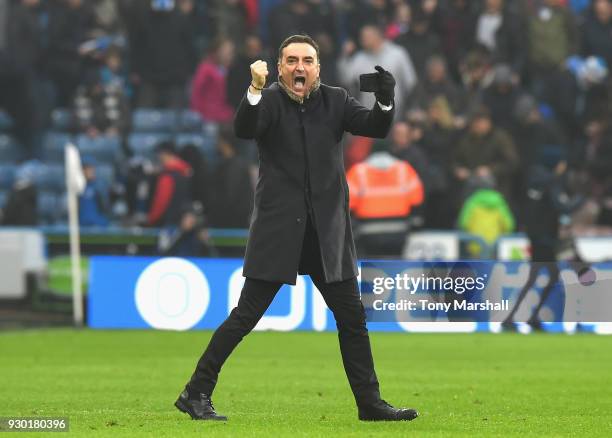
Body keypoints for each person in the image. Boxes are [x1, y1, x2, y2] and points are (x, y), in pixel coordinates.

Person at [175, 34, 418, 423]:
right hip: (279, 230)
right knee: (245, 316)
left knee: (352, 319)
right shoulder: (267, 99)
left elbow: (375, 127)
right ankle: (196, 391)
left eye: (307, 60)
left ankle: (369, 404)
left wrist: (386, 99)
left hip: (326, 234)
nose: (299, 67)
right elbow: (244, 127)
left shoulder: (336, 100)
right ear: (280, 68)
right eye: (291, 61)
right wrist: (254, 88)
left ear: (318, 68)